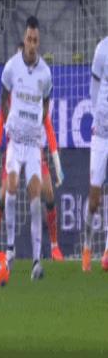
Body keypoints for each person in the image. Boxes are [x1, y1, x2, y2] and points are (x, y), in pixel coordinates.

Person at [0, 44, 65, 262]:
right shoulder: (9, 97)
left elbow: (48, 127)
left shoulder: (35, 95)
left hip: (34, 149)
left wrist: (57, 165)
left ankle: (54, 246)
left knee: (49, 193)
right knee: (4, 196)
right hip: (14, 150)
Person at [0, 16, 52, 280]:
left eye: (35, 40)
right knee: (10, 186)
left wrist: (37, 124)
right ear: (24, 39)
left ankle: (36, 261)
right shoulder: (11, 67)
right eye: (29, 39)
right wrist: (9, 123)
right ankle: (10, 250)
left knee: (35, 197)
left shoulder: (45, 73)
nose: (32, 44)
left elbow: (46, 103)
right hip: (16, 141)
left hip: (33, 145)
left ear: (39, 42)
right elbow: (3, 98)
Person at [82, 36, 108, 272]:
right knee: (94, 198)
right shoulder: (102, 49)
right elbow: (94, 88)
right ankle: (87, 246)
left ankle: (107, 252)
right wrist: (95, 115)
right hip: (101, 133)